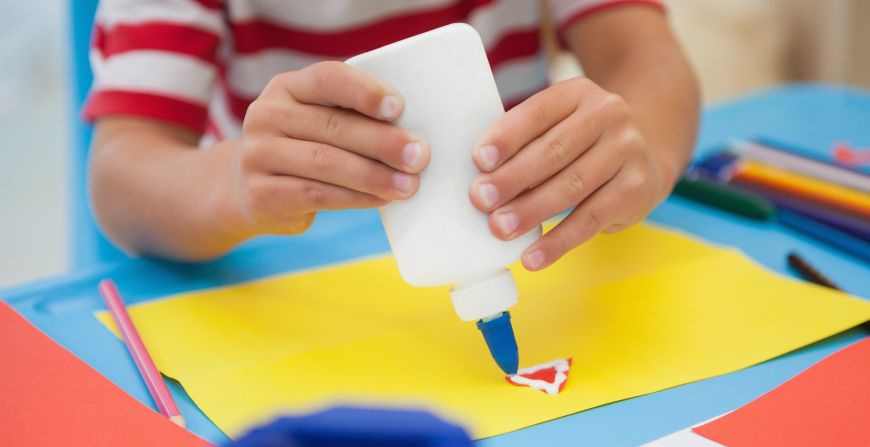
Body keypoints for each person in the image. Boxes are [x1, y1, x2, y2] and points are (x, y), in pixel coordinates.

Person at [86, 0, 699, 271]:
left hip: (514, 242)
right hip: (282, 264)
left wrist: (641, 143)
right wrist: (237, 186)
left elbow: (646, 57)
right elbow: (121, 176)